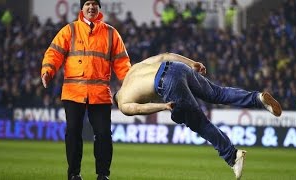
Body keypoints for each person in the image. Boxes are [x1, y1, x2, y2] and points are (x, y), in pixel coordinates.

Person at [114, 53, 282, 180]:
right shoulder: (133, 70)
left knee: (199, 123)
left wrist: (163, 106)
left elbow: (139, 109)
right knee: (217, 93)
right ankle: (258, 99)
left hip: (165, 82)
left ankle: (232, 156)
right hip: (176, 67)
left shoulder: (122, 104)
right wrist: (192, 63)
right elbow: (166, 55)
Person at [41, 1, 131, 180]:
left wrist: (130, 84)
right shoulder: (70, 30)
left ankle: (103, 175)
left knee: (104, 134)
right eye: (87, 4)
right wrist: (47, 71)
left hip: (99, 94)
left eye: (94, 4)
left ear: (99, 8)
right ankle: (74, 174)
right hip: (74, 93)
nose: (91, 7)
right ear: (82, 8)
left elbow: (122, 63)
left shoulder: (111, 33)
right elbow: (54, 53)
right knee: (73, 132)